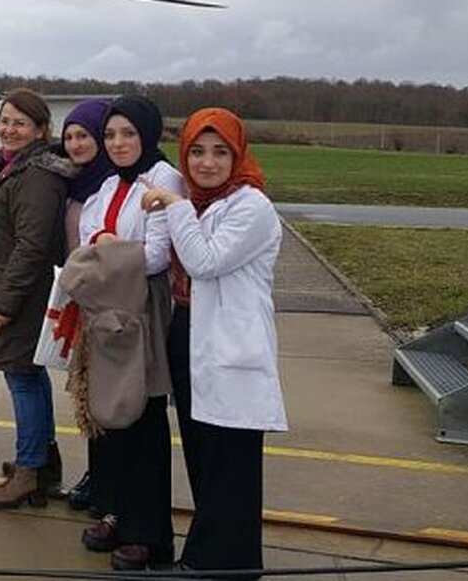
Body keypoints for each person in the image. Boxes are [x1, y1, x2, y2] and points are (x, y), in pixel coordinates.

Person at [141, 108, 286, 578]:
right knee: (204, 457)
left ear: (237, 154)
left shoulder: (251, 206)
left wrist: (174, 206)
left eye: (220, 152)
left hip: (231, 349)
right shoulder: (199, 201)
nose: (207, 163)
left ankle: (211, 564)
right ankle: (223, 562)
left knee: (231, 467)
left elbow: (205, 261)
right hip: (191, 338)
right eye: (197, 152)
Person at [73, 94, 185, 570]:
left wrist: (102, 248)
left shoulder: (163, 179)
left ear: (147, 134)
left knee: (142, 416)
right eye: (111, 135)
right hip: (107, 307)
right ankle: (115, 510)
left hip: (141, 309)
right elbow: (86, 234)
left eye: (128, 134)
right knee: (110, 416)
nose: (118, 143)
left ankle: (149, 531)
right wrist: (111, 244)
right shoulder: (109, 183)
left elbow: (158, 254)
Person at [0, 89, 74, 508]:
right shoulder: (6, 164)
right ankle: (42, 464)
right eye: (5, 121)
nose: (9, 130)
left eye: (20, 123)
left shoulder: (38, 176)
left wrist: (4, 302)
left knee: (21, 378)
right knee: (29, 375)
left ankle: (30, 469)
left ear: (41, 130)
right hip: (3, 285)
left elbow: (31, 245)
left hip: (19, 293)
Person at [54, 98, 117, 510]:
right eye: (70, 136)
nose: (76, 144)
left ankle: (109, 481)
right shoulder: (73, 181)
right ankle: (98, 474)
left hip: (111, 303)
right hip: (80, 295)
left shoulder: (112, 182)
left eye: (85, 136)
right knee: (88, 394)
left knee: (110, 396)